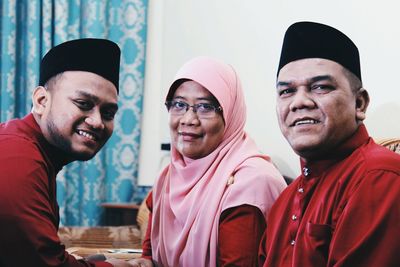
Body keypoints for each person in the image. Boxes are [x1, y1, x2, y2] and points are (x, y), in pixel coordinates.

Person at [259, 21, 400, 266]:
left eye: (320, 87)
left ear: (360, 104)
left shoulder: (380, 177)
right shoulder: (285, 201)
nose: (299, 102)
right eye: (286, 91)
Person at [129, 56, 287, 267]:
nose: (188, 120)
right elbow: (149, 256)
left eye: (205, 107)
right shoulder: (167, 178)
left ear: (230, 114)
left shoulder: (251, 183)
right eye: (179, 104)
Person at [0, 39, 133, 267]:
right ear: (41, 101)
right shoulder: (17, 158)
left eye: (108, 113)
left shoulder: (34, 152)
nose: (97, 122)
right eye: (83, 103)